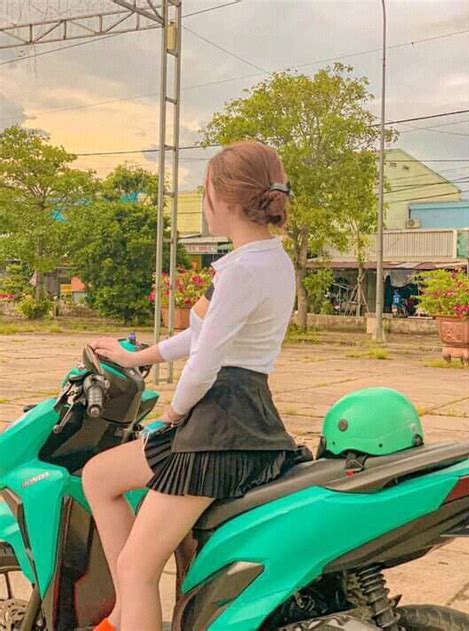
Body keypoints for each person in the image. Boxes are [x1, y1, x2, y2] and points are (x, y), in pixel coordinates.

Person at [84, 141, 299, 631]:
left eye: (204, 190)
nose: (203, 201)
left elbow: (204, 364)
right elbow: (203, 335)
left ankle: (130, 611)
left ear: (223, 197)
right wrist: (135, 357)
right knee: (99, 476)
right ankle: (121, 614)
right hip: (236, 416)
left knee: (138, 567)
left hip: (217, 428)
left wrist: (171, 415)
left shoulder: (242, 270)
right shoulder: (268, 259)